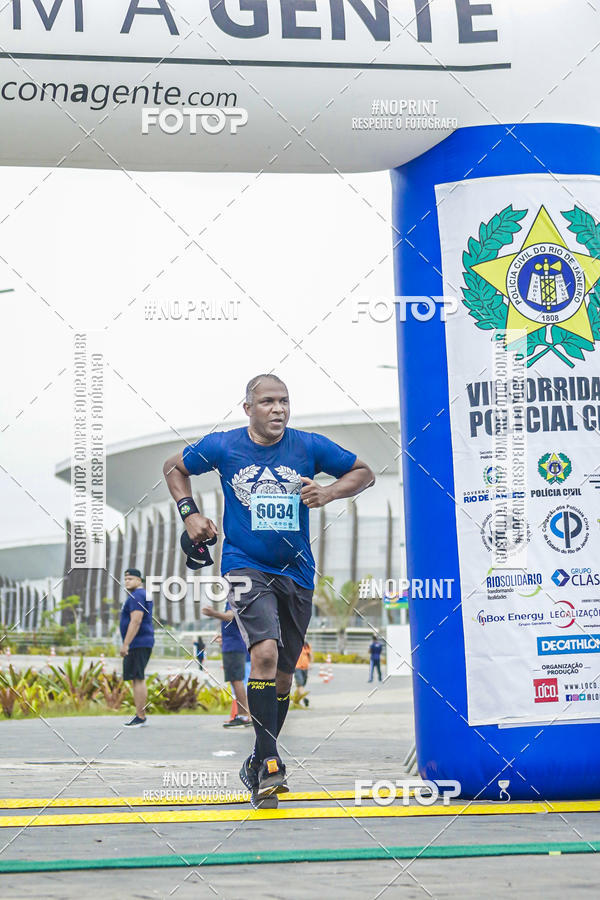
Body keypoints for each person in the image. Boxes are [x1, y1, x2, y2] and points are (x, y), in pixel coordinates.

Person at [163, 373, 374, 807]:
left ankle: (259, 761)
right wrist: (190, 515)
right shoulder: (224, 446)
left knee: (283, 674)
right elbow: (173, 467)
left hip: (297, 572)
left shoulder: (308, 446)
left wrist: (330, 492)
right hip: (244, 563)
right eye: (267, 402)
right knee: (263, 653)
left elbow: (365, 473)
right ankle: (272, 762)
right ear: (248, 408)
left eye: (284, 401)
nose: (278, 409)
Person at [202, 602, 251, 727]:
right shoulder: (234, 598)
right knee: (236, 680)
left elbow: (230, 616)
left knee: (236, 680)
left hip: (234, 646)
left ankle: (243, 716)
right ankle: (245, 715)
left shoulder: (234, 598)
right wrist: (224, 635)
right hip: (232, 644)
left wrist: (213, 613)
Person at [120, 568, 154, 727]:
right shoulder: (142, 594)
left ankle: (140, 716)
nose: (127, 582)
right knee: (137, 678)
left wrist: (126, 644)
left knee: (138, 678)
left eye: (131, 579)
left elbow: (136, 620)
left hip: (138, 642)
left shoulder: (137, 595)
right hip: (142, 642)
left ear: (139, 580)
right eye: (126, 579)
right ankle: (140, 715)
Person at [294, 641, 312, 707]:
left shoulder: (307, 645)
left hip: (305, 668)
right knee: (300, 684)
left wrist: (310, 663)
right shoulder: (295, 644)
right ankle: (304, 698)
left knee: (302, 685)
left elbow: (310, 655)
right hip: (297, 667)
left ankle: (297, 702)